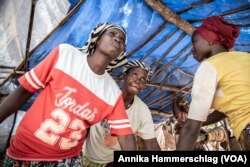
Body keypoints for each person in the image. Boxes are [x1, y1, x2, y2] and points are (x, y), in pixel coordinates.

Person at [0, 23, 137, 166]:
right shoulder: (65, 55)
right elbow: (24, 91)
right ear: (97, 37)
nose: (117, 39)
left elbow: (126, 136)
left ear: (121, 52)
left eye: (122, 40)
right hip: (25, 151)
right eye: (112, 34)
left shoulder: (112, 93)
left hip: (67, 159)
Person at [176, 16, 250, 150]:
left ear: (210, 40)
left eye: (194, 42)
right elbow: (230, 107)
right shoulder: (245, 57)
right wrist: (200, 123)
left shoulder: (209, 66)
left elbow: (191, 128)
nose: (192, 49)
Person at [83, 60, 161, 166]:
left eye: (143, 79)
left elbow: (151, 143)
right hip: (84, 156)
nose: (138, 80)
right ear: (124, 76)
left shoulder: (142, 111)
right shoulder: (105, 95)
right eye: (134, 74)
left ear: (144, 86)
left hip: (110, 162)